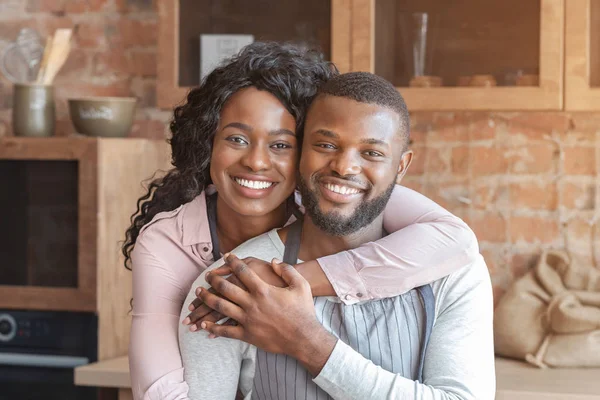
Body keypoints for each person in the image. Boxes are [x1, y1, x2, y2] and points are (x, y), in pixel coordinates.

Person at [125, 42, 479, 400]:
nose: (257, 162)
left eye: (280, 145)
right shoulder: (202, 270)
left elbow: (457, 238)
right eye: (236, 138)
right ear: (207, 144)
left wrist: (287, 289)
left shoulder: (349, 195)